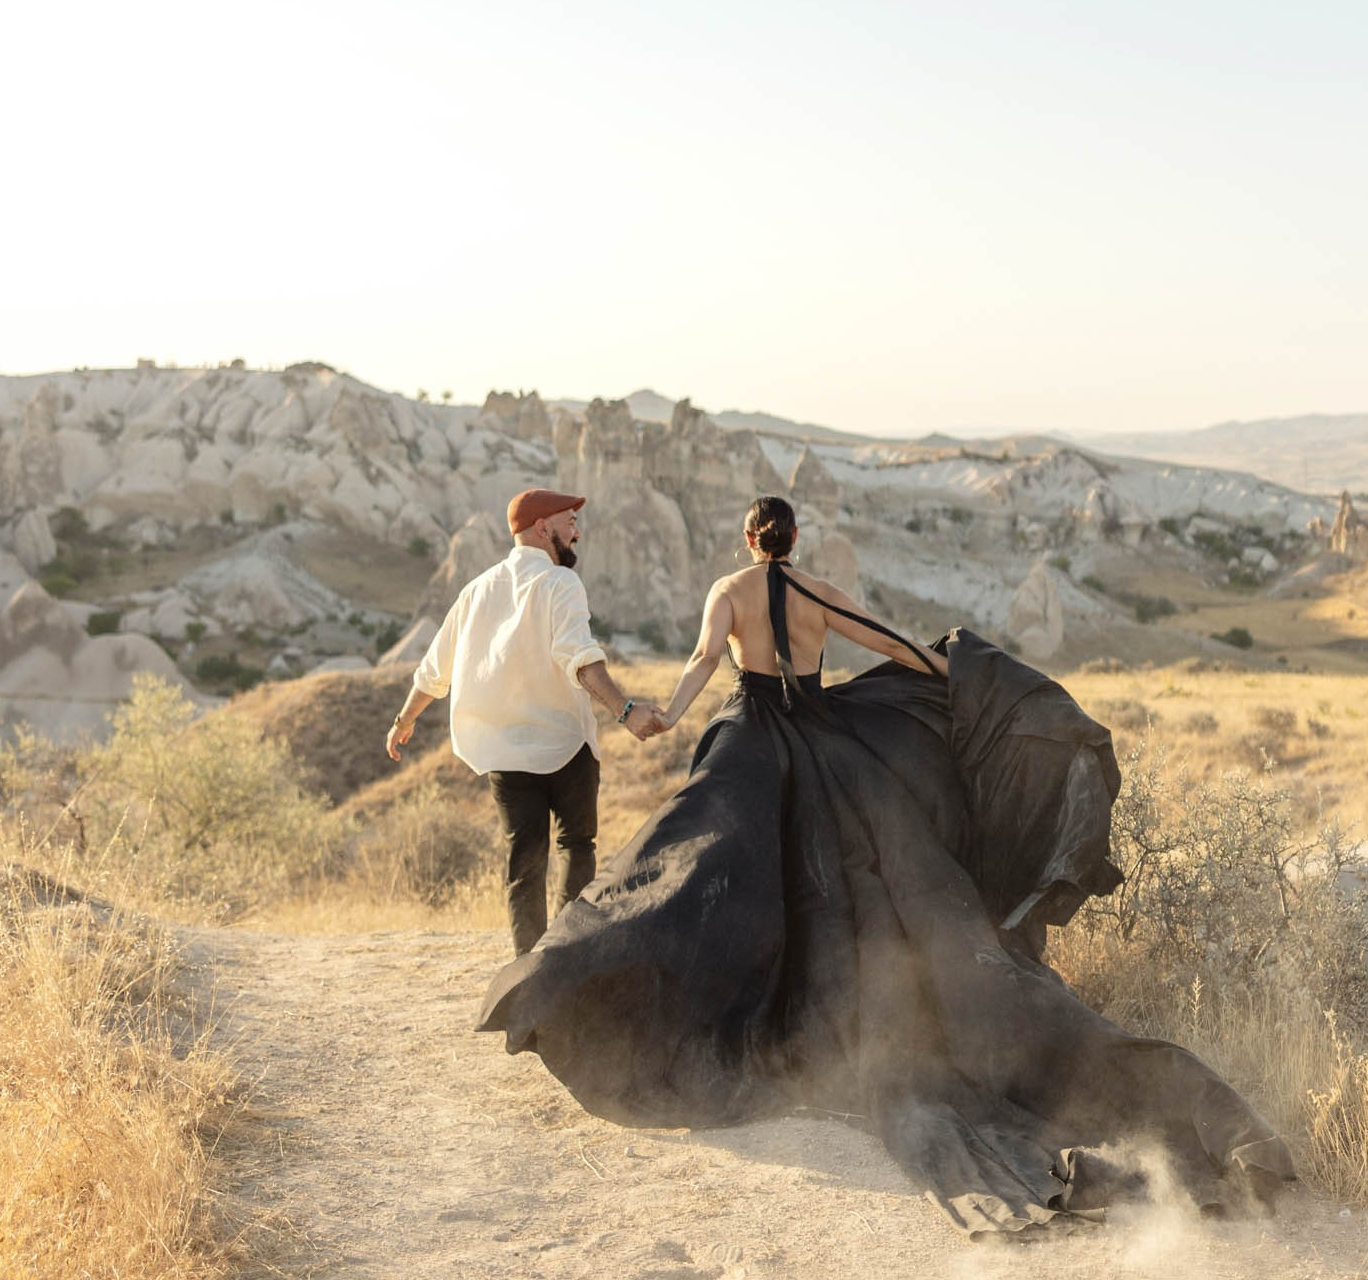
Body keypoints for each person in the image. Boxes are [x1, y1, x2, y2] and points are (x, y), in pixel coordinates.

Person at [477, 493, 1295, 1236]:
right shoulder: (817, 590)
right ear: (793, 539)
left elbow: (699, 659)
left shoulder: (727, 590)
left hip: (753, 741)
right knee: (865, 880)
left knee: (685, 865)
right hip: (830, 739)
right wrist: (962, 682)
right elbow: (892, 646)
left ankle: (564, 975)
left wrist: (661, 716)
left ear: (747, 539)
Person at [386, 488, 665, 956]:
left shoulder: (476, 591)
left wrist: (403, 721)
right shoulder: (560, 583)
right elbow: (581, 659)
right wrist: (625, 711)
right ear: (542, 527)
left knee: (524, 863)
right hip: (566, 746)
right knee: (577, 846)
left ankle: (528, 970)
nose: (577, 532)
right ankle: (566, 959)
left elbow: (434, 671)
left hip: (505, 753)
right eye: (569, 522)